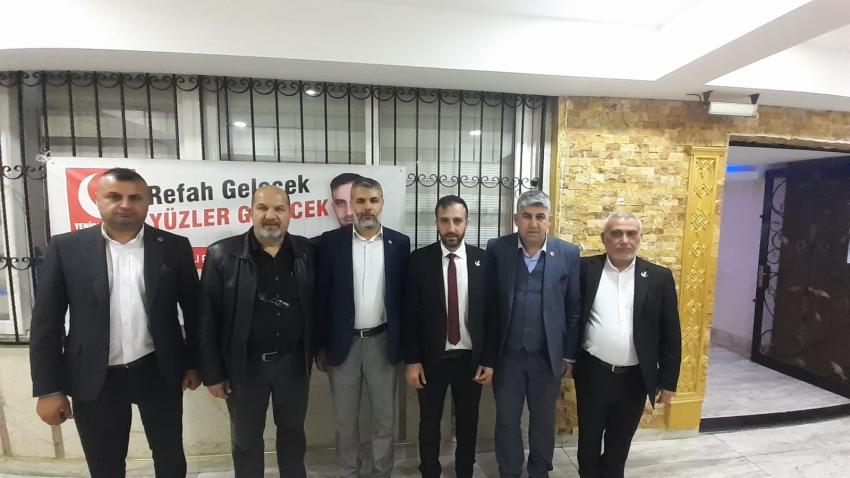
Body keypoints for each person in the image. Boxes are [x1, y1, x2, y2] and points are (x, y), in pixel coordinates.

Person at [29, 168, 200, 478]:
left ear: (147, 202)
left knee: (170, 458)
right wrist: (48, 389)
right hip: (94, 376)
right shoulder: (67, 248)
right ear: (97, 200)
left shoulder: (174, 246)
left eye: (135, 197)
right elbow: (46, 322)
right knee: (105, 465)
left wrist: (194, 364)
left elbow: (194, 310)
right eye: (114, 196)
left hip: (158, 370)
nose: (125, 204)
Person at [198, 186, 317, 477]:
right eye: (262, 208)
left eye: (279, 209)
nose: (270, 216)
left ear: (290, 214)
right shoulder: (222, 255)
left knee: (293, 433)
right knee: (246, 440)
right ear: (250, 212)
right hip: (244, 367)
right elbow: (206, 320)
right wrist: (212, 374)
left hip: (293, 365)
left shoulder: (306, 252)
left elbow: (318, 305)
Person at [315, 177, 410, 478]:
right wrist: (320, 346)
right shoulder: (329, 243)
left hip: (383, 342)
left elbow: (404, 299)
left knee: (384, 419)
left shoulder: (399, 243)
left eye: (373, 200)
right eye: (360, 201)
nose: (367, 207)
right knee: (345, 422)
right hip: (343, 346)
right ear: (351, 205)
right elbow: (321, 297)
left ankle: (382, 472)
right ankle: (348, 472)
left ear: (381, 204)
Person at [575, 212, 681, 478]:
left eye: (631, 233)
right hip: (593, 373)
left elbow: (670, 333)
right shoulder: (584, 269)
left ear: (640, 238)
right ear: (604, 238)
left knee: (618, 446)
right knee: (588, 444)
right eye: (616, 233)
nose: (624, 240)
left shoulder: (659, 277)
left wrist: (668, 381)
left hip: (635, 379)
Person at [486, 189, 581, 478]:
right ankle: (510, 471)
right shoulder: (497, 249)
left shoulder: (567, 253)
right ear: (516, 219)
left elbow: (573, 308)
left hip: (546, 357)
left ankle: (539, 471)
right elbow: (488, 305)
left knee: (542, 421)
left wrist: (569, 355)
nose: (533, 223)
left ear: (549, 220)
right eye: (526, 216)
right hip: (508, 356)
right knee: (506, 420)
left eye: (540, 217)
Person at [403, 195, 494, 478]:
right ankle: (430, 470)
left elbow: (492, 315)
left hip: (470, 359)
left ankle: (464, 470)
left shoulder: (483, 261)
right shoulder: (419, 261)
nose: (451, 228)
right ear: (436, 223)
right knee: (429, 422)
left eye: (457, 220)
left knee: (468, 421)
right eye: (445, 221)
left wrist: (489, 360)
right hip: (432, 359)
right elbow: (409, 316)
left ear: (467, 222)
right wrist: (412, 361)